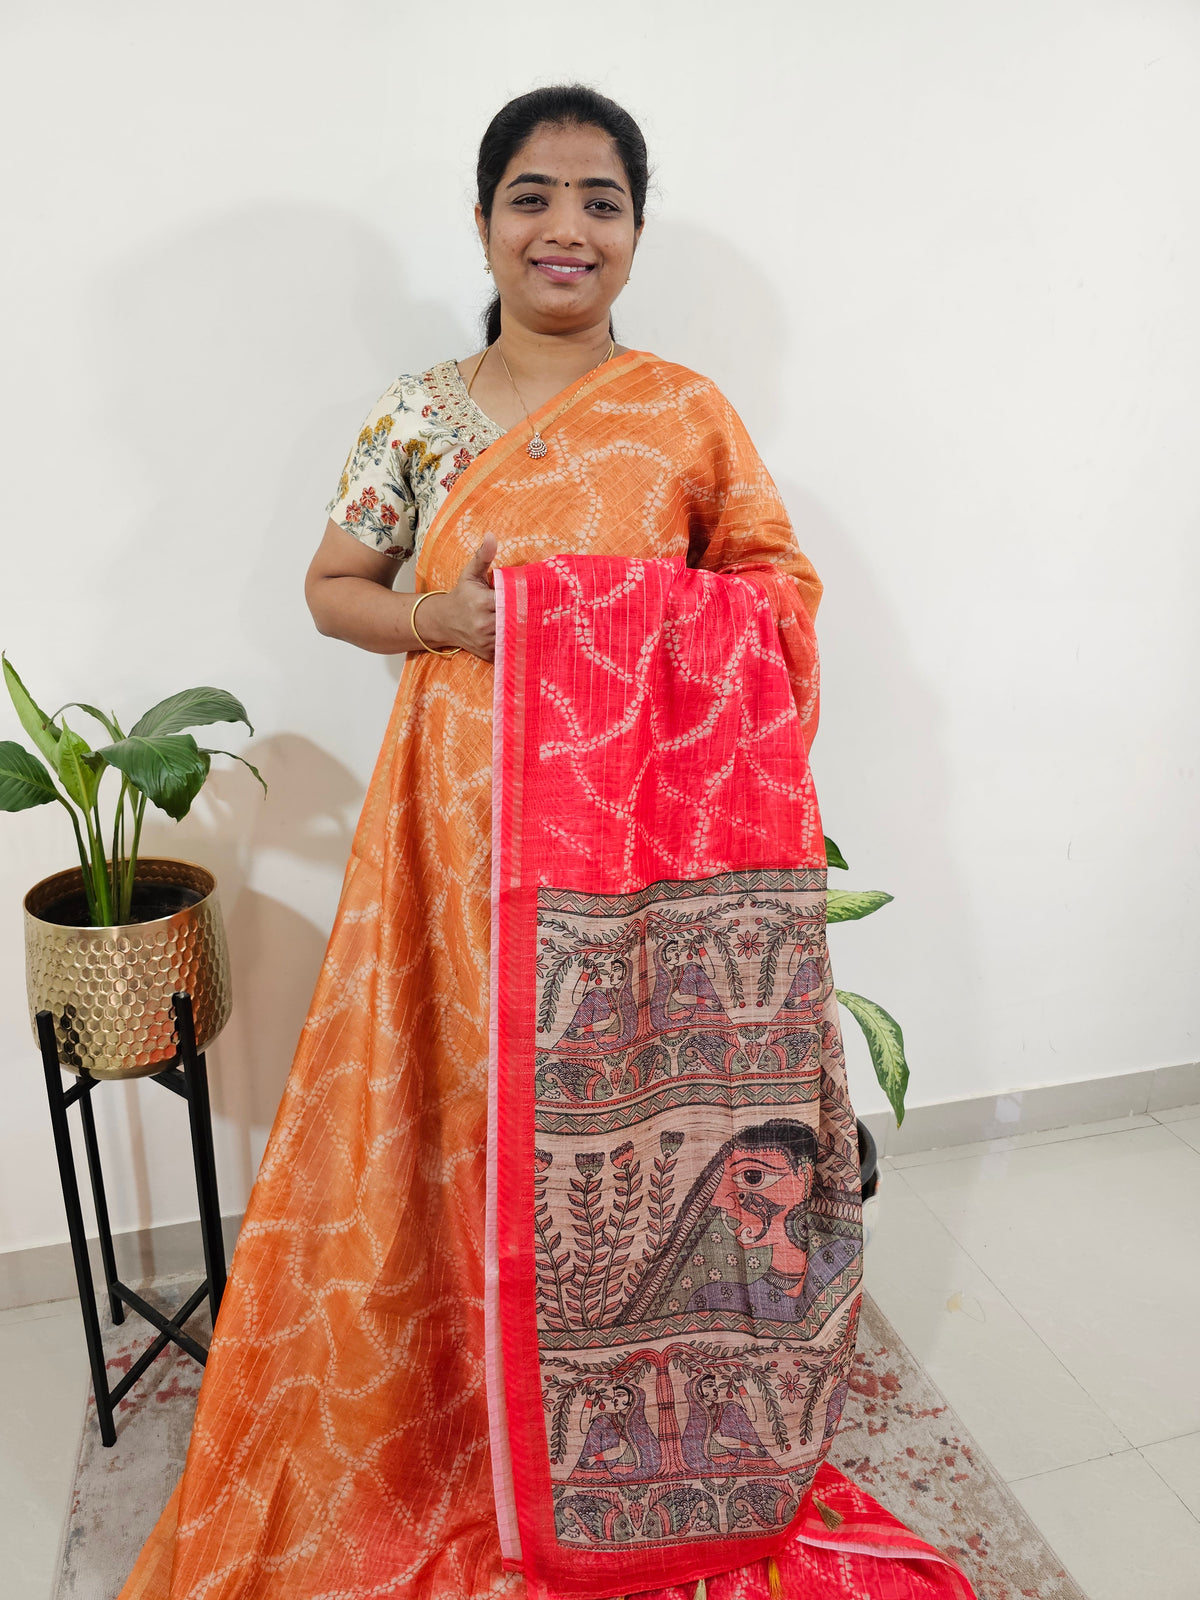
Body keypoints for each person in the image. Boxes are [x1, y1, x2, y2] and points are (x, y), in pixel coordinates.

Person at [121, 85, 977, 1600]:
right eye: (532, 195)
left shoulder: (691, 412)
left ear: (635, 235)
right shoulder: (421, 413)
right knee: (455, 1117)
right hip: (451, 830)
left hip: (634, 860)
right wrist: (445, 616)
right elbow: (335, 587)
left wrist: (632, 622)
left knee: (620, 1156)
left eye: (599, 199)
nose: (564, 228)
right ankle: (454, 1423)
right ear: (483, 223)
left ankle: (618, 1437)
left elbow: (777, 605)